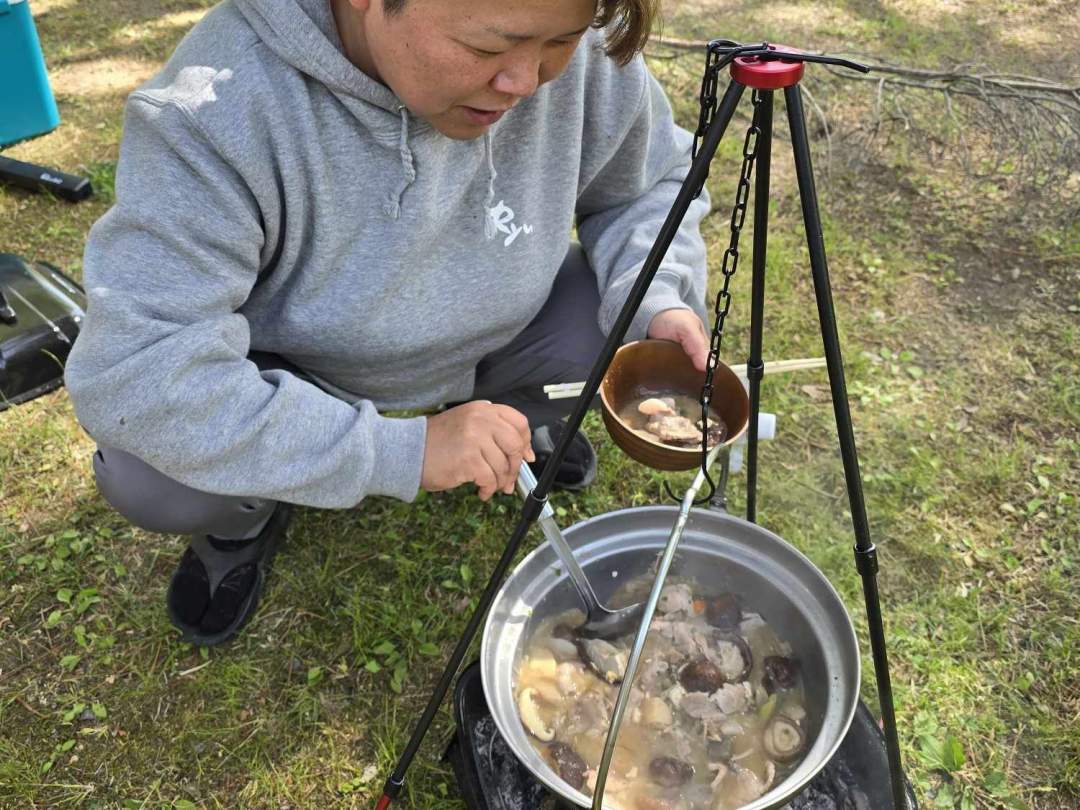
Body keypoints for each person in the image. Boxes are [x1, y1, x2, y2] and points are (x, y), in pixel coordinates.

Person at [64, 0, 712, 646]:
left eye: (560, 42)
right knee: (154, 475)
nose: (525, 80)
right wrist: (404, 453)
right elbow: (136, 372)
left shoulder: (561, 43)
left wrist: (661, 298)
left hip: (505, 329)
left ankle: (514, 423)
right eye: (488, 49)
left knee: (616, 323)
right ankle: (242, 514)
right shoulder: (209, 116)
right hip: (309, 374)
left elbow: (649, 184)